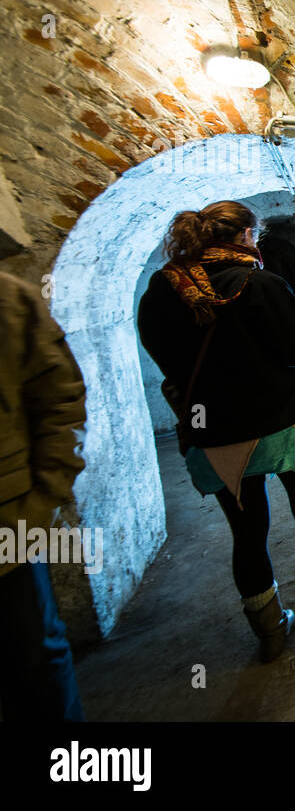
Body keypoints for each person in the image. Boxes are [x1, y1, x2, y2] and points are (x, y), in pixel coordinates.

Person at [137, 201, 295, 663]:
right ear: (243, 237)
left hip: (216, 433)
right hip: (285, 422)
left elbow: (162, 356)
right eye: (254, 237)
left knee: (247, 533)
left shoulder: (162, 289)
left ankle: (271, 634)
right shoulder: (260, 283)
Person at [0, 270, 87, 721]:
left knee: (32, 662)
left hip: (7, 525)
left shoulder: (7, 298)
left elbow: (59, 400)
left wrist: (39, 503)